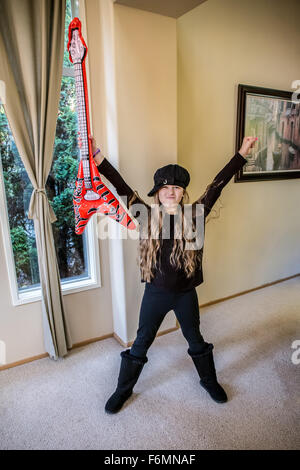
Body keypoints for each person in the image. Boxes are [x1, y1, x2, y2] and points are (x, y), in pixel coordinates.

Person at [89, 134, 257, 413]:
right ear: (157, 192)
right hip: (154, 294)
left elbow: (218, 183)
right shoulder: (144, 214)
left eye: (177, 188)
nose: (171, 191)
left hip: (185, 295)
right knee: (141, 342)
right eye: (166, 187)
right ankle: (123, 390)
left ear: (183, 193)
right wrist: (98, 158)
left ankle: (209, 380)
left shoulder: (196, 215)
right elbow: (122, 187)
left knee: (195, 338)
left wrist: (241, 153)